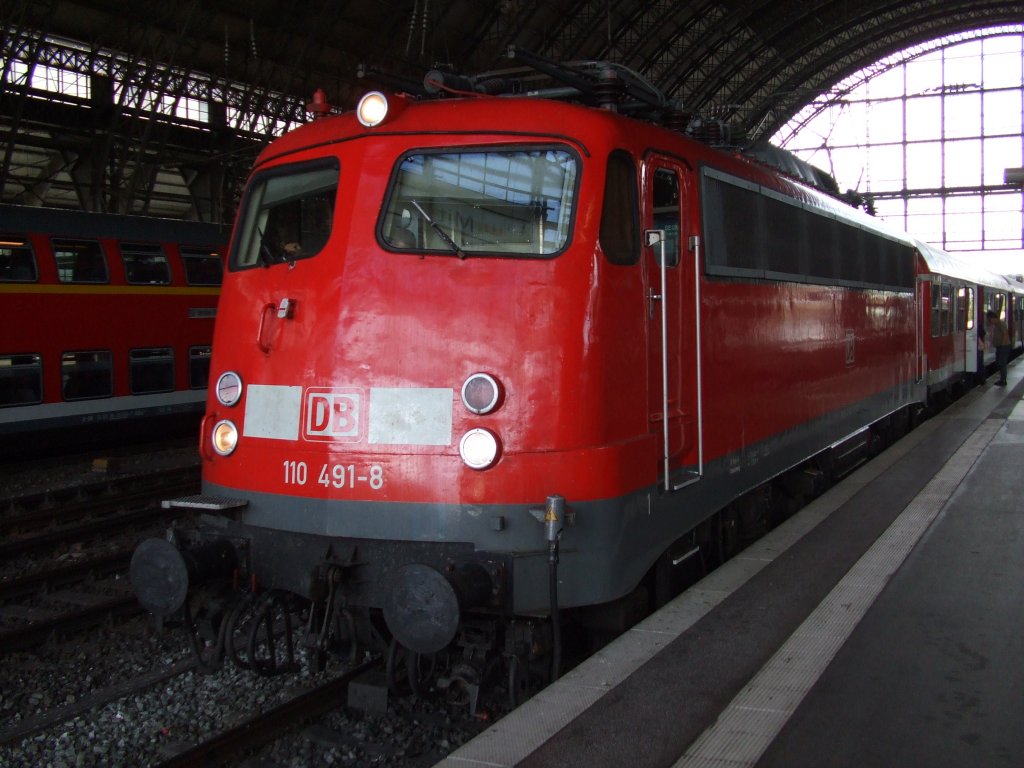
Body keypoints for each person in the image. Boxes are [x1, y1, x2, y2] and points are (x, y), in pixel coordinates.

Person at [986, 309, 1010, 386]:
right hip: (1000, 347)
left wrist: (1003, 345)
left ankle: (1003, 380)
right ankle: (1002, 379)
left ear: (993, 318)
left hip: (1004, 347)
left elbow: (1005, 334)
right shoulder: (996, 325)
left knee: (1002, 363)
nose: (990, 322)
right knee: (999, 362)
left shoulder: (1001, 324)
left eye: (990, 320)